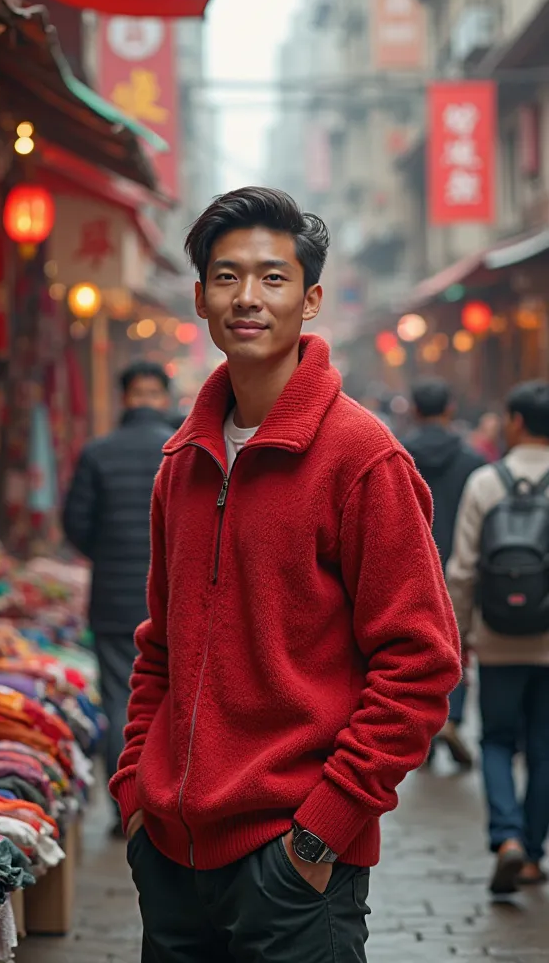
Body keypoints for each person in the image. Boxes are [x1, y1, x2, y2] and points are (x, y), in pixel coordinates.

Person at [111, 187, 461, 963]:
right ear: (200, 298)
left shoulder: (362, 457)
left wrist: (323, 828)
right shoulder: (183, 461)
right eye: (228, 277)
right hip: (171, 859)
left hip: (293, 867)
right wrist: (137, 789)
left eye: (273, 278)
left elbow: (422, 661)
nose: (248, 298)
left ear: (311, 299)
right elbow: (158, 648)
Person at [63, 361, 174, 836]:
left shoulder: (97, 453)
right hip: (174, 598)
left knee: (119, 700)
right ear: (162, 398)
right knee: (174, 698)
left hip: (112, 597)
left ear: (126, 397)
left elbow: (76, 525)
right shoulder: (183, 447)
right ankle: (170, 804)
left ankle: (125, 812)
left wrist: (107, 554)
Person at [447, 380, 549, 894]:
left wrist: (458, 635)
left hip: (498, 639)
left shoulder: (487, 482)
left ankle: (506, 837)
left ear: (514, 421)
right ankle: (532, 854)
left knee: (497, 741)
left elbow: (463, 571)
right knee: (545, 746)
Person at [404, 378, 486, 769]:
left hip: (409, 565)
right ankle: (451, 717)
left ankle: (424, 725)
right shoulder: (472, 462)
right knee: (457, 646)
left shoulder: (398, 456)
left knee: (414, 648)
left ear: (416, 411)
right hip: (459, 562)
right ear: (450, 409)